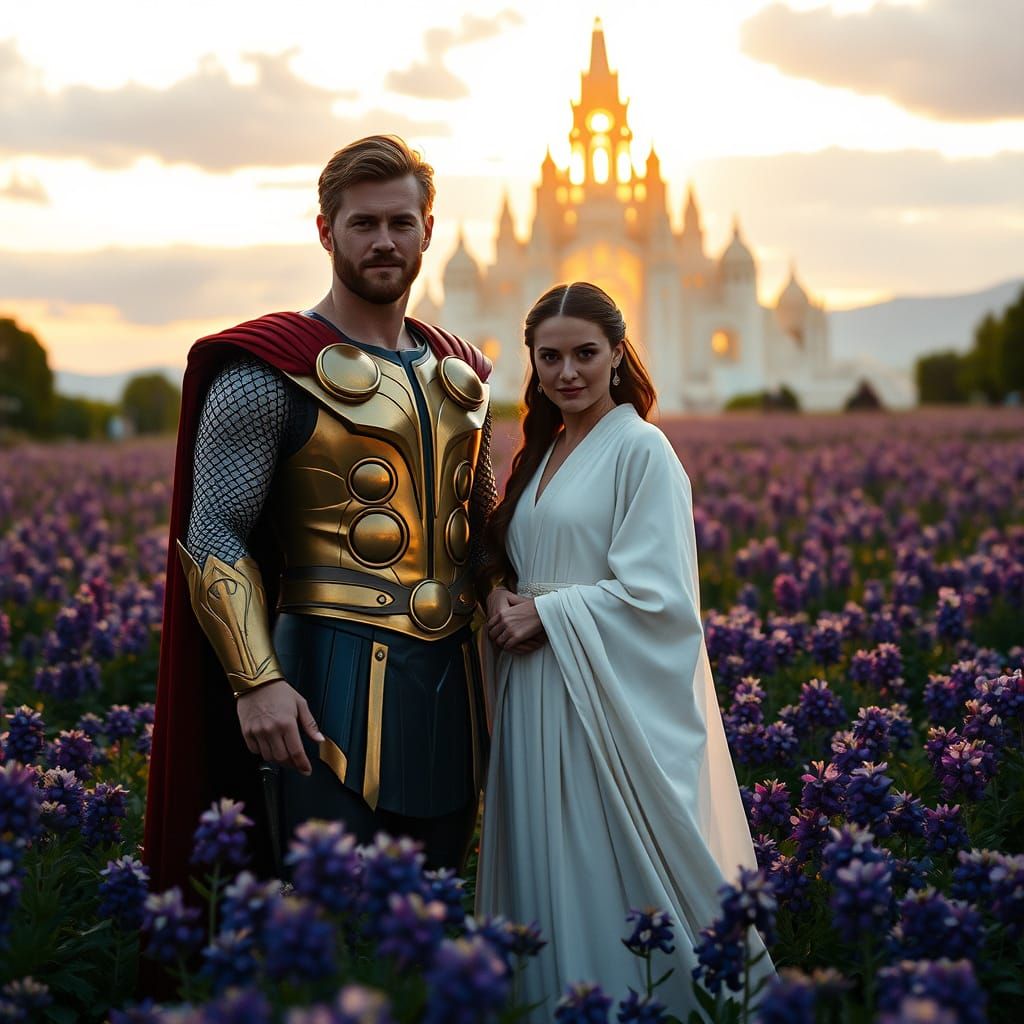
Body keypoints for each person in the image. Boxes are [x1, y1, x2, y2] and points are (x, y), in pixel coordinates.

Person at [144, 135, 496, 894]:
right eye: (363, 223)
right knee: (325, 924)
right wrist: (255, 680)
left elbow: (482, 524)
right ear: (325, 230)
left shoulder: (463, 373)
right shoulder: (266, 369)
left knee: (433, 928)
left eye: (402, 223)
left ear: (429, 230)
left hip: (457, 689)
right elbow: (213, 535)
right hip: (320, 682)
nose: (384, 241)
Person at [475, 282, 773, 1017]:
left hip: (596, 693)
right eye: (550, 357)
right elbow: (513, 559)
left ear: (616, 354)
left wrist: (548, 614)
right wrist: (500, 599)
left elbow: (660, 597)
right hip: (533, 688)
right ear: (533, 363)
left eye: (585, 354)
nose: (567, 372)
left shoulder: (642, 448)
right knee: (543, 863)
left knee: (595, 859)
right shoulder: (541, 452)